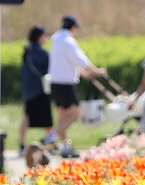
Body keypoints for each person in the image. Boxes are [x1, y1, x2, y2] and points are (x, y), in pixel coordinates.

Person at [47, 15, 108, 158]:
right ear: (73, 28)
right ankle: (51, 137)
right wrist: (96, 71)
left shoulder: (57, 41)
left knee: (63, 117)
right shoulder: (68, 41)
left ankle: (66, 147)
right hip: (66, 84)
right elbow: (80, 59)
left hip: (55, 83)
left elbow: (69, 62)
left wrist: (85, 74)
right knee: (74, 115)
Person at [19, 25, 56, 156]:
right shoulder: (39, 51)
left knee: (27, 117)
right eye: (45, 35)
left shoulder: (29, 50)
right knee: (47, 118)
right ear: (39, 37)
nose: (46, 38)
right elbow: (52, 65)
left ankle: (21, 145)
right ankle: (50, 144)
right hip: (39, 90)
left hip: (29, 91)